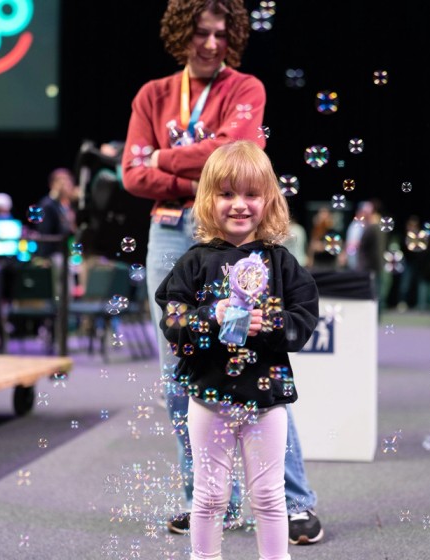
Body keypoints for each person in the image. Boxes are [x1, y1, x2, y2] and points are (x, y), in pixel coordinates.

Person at [121, 0, 324, 545]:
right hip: (170, 232)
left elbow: (239, 154)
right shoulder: (152, 95)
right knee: (178, 370)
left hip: (240, 232)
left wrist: (167, 158)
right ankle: (208, 499)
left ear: (232, 35)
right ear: (179, 34)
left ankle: (294, 502)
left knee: (261, 361)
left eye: (219, 34)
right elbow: (131, 176)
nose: (210, 44)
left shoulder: (246, 88)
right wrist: (197, 170)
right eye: (198, 34)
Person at [155, 140, 319, 560]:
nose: (239, 205)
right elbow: (173, 322)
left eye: (251, 194)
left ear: (269, 200)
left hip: (265, 400)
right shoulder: (192, 262)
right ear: (207, 200)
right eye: (226, 194)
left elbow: (304, 321)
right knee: (209, 498)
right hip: (208, 397)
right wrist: (211, 315)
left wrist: (271, 324)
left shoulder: (281, 263)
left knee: (269, 497)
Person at [33, 168, 77, 259]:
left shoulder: (68, 205)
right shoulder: (47, 205)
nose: (66, 185)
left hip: (66, 252)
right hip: (53, 255)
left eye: (68, 181)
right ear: (52, 185)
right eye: (61, 182)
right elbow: (45, 235)